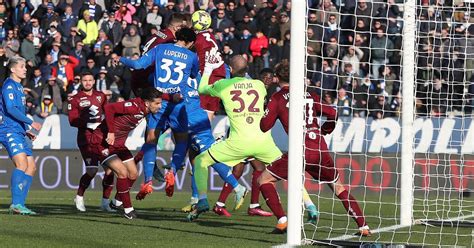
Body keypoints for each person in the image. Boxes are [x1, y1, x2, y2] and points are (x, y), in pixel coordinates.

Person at [258, 61, 371, 236]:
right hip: (319, 147)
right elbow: (333, 113)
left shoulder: (278, 98)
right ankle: (363, 226)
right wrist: (325, 130)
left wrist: (266, 110)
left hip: (300, 149)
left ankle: (282, 221)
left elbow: (264, 126)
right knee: (338, 187)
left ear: (277, 78)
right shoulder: (309, 94)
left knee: (264, 180)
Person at [188, 52, 282, 221]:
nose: (267, 80)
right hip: (254, 138)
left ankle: (209, 199)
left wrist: (208, 69)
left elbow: (202, 89)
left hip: (244, 138)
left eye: (270, 78)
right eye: (266, 77)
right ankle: (306, 204)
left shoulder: (227, 84)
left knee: (206, 162)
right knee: (278, 169)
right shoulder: (258, 86)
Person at [118, 27, 195, 199]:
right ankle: (173, 171)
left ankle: (148, 181)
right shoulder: (192, 56)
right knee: (182, 140)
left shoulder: (160, 49)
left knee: (151, 140)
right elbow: (194, 74)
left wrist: (121, 59)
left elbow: (138, 65)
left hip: (157, 101)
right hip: (177, 103)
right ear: (190, 42)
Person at [90, 88, 163, 219]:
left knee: (133, 174)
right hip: (102, 142)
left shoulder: (146, 111)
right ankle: (128, 210)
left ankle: (116, 202)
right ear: (147, 103)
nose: (160, 106)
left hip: (118, 145)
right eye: (157, 103)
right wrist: (111, 131)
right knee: (122, 172)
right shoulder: (133, 106)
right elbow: (109, 108)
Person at [67, 72, 115, 212]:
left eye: (90, 80)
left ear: (94, 81)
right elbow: (72, 120)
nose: (87, 82)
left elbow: (109, 113)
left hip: (101, 137)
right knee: (92, 170)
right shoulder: (75, 99)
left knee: (110, 170)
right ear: (81, 82)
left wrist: (109, 128)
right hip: (86, 138)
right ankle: (79, 196)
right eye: (85, 80)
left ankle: (105, 203)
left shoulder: (101, 96)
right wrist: (88, 124)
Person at [0, 56, 42, 215]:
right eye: (22, 66)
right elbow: (10, 110)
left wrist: (26, 130)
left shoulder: (19, 87)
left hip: (18, 130)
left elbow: (18, 111)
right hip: (8, 130)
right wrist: (31, 122)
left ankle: (20, 205)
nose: (25, 69)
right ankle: (16, 204)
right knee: (22, 165)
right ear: (12, 69)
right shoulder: (9, 86)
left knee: (31, 167)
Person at [192, 13, 227, 120]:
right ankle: (206, 132)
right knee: (210, 107)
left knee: (204, 107)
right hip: (220, 72)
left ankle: (203, 134)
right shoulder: (209, 35)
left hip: (209, 74)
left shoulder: (197, 39)